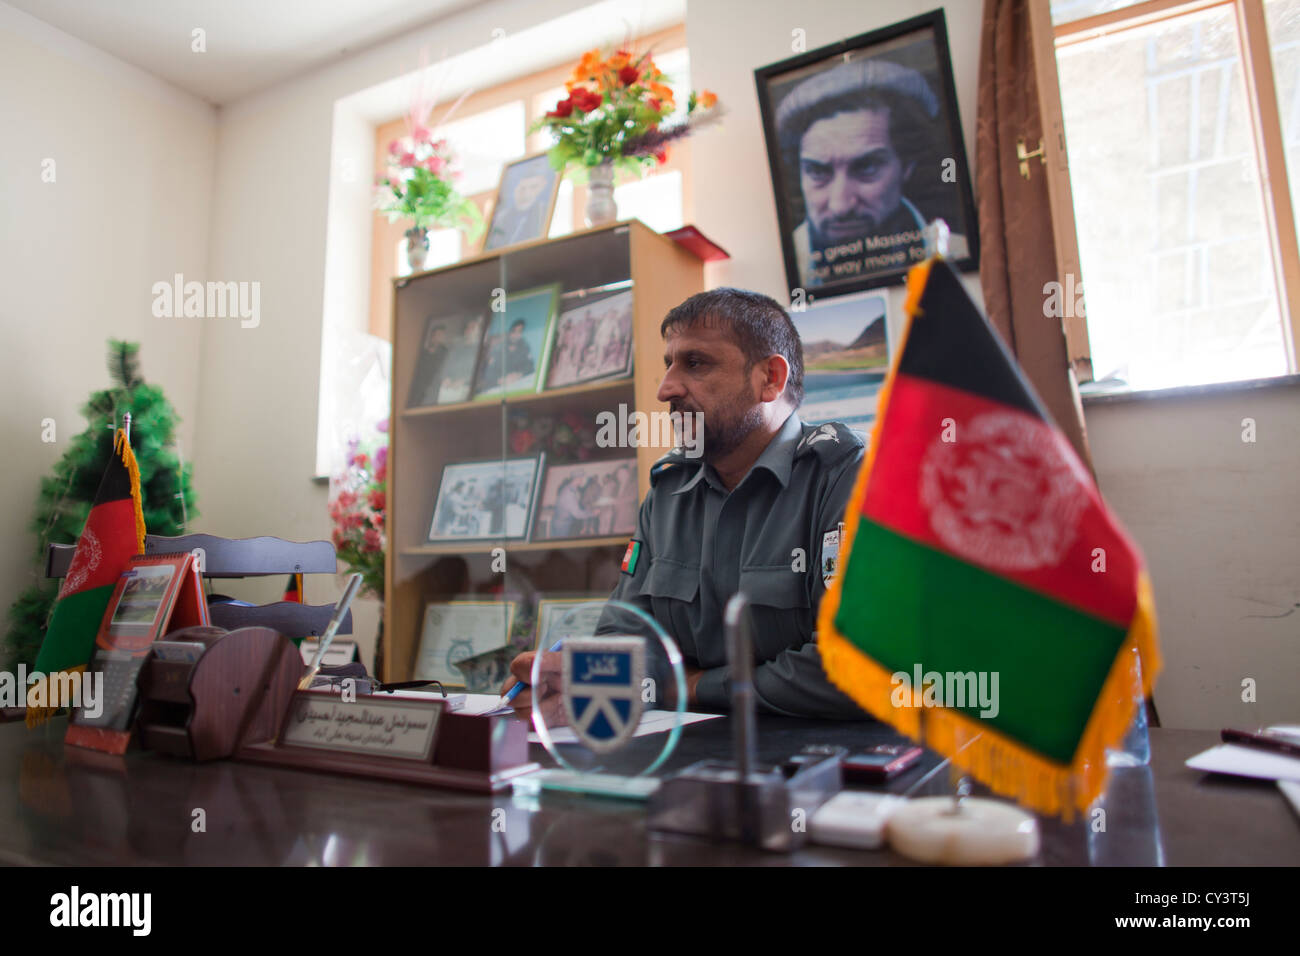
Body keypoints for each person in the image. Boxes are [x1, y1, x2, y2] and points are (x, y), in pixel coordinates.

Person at [504, 287, 870, 720]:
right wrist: (575, 678)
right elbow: (625, 636)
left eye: (695, 363)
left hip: (826, 767)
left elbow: (853, 667)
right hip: (680, 760)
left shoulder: (850, 477)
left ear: (770, 378)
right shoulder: (668, 490)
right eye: (668, 365)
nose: (665, 389)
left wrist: (695, 687)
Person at [775, 58, 968, 289]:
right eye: (817, 171)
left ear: (907, 166)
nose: (840, 205)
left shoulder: (956, 254)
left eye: (866, 168)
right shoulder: (775, 278)